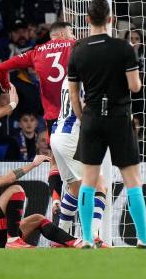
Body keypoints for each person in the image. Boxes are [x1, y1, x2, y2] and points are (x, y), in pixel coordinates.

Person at [67, 0, 146, 250]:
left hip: (92, 116)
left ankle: (86, 238)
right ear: (110, 20)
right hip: (119, 116)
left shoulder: (78, 49)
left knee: (88, 179)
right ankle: (143, 239)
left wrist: (81, 116)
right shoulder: (123, 48)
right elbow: (135, 86)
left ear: (88, 20)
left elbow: (74, 93)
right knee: (132, 179)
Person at [0, 21, 76, 213]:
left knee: (55, 161)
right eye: (72, 32)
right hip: (75, 115)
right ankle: (89, 226)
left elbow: (2, 67)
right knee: (85, 170)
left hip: (53, 119)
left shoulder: (37, 51)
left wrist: (6, 86)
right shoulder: (76, 46)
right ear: (64, 34)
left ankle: (56, 198)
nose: (73, 35)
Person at [50, 78, 110, 248]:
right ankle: (92, 236)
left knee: (75, 189)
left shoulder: (72, 73)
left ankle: (60, 238)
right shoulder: (89, 74)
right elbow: (86, 109)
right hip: (72, 137)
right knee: (99, 184)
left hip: (58, 136)